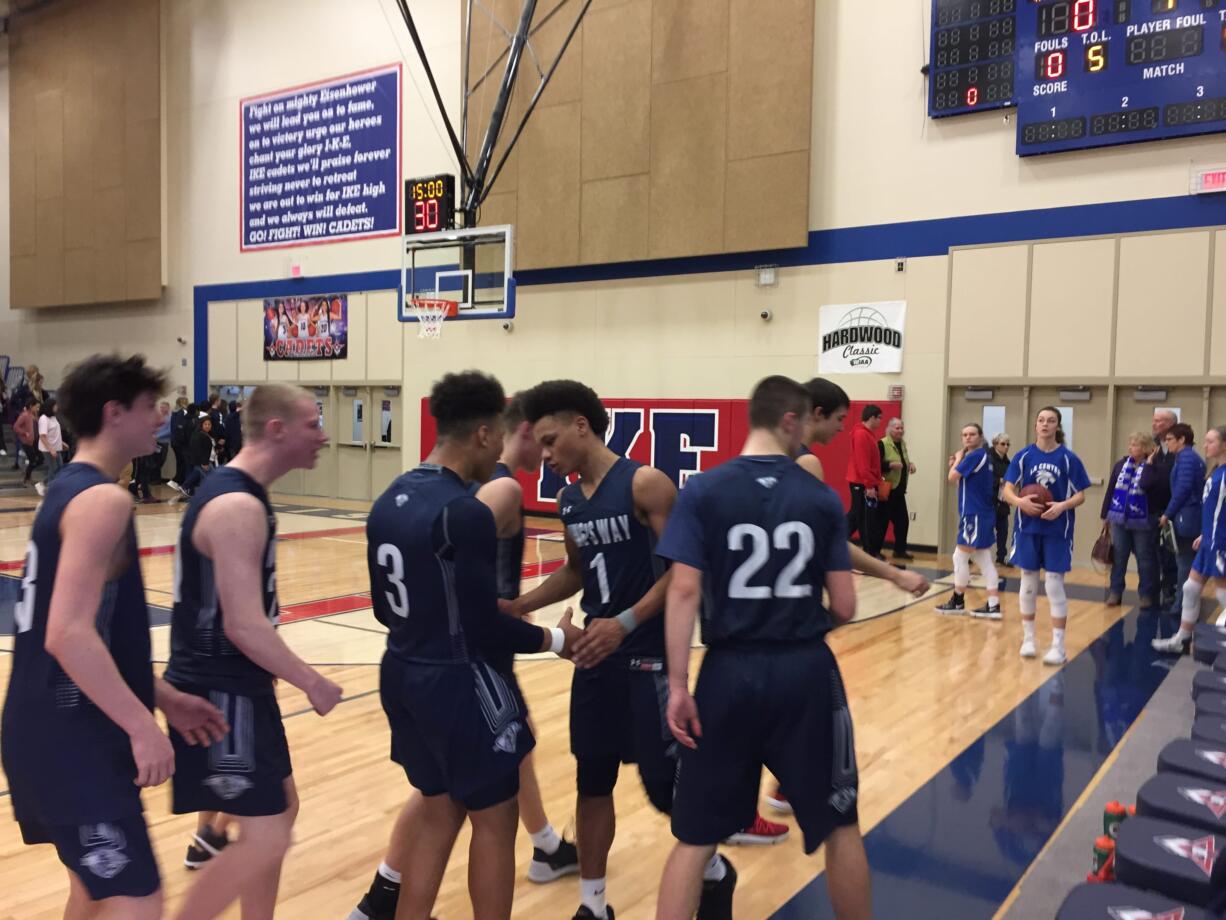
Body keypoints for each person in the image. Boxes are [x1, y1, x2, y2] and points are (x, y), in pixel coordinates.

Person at [1, 354, 228, 920]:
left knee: (94, 891)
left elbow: (91, 633)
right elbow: (68, 635)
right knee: (137, 900)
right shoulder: (102, 499)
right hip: (69, 735)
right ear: (114, 412)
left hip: (47, 726)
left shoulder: (71, 490)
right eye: (150, 407)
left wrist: (160, 696)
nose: (159, 418)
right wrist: (141, 728)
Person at [506, 379, 735, 920]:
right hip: (596, 660)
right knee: (592, 780)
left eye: (550, 439)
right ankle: (593, 904)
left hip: (650, 658)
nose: (544, 455)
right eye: (538, 444)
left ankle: (714, 871)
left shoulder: (646, 484)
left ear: (581, 426)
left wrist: (624, 623)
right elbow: (577, 570)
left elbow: (685, 569)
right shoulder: (566, 499)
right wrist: (519, 605)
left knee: (662, 786)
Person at [346, 393, 579, 920]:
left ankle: (387, 896)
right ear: (483, 433)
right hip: (462, 674)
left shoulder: (390, 496)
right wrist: (556, 642)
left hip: (402, 667)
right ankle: (539, 846)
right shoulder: (473, 506)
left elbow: (386, 609)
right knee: (494, 820)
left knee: (438, 811)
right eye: (498, 436)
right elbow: (482, 620)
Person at [655, 376, 870, 920]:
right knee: (841, 827)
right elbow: (845, 605)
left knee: (695, 839)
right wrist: (799, 622)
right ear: (791, 420)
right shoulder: (820, 497)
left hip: (727, 673)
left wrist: (678, 686)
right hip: (804, 672)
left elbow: (682, 591)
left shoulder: (702, 491)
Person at [164, 382, 343, 920]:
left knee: (279, 817)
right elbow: (243, 625)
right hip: (218, 690)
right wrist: (311, 680)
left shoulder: (242, 493)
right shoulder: (237, 503)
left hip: (238, 685)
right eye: (313, 423)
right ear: (276, 429)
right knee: (266, 834)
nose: (324, 435)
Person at [765, 378, 929, 816]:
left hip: (749, 607)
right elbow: (831, 542)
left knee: (772, 709)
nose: (843, 428)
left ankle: (764, 793)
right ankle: (781, 791)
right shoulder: (806, 465)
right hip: (789, 608)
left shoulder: (746, 466)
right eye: (839, 419)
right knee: (814, 706)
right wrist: (894, 574)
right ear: (814, 413)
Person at [1002, 407, 1092, 665]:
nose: (1044, 424)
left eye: (1050, 420)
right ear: (1035, 425)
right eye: (1041, 420)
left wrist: (1061, 506)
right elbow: (1007, 490)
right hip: (1027, 528)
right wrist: (1020, 502)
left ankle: (1058, 645)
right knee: (1028, 584)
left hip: (1057, 530)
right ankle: (1028, 639)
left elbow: (1081, 495)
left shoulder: (1068, 458)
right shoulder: (1023, 456)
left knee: (1054, 585)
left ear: (1057, 426)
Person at [1153, 425, 1226, 653]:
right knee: (1191, 588)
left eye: (1211, 441)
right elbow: (1215, 508)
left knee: (1222, 593)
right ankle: (1181, 639)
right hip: (1208, 541)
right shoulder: (1215, 471)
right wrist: (1205, 533)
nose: (1205, 445)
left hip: (1221, 544)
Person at [936, 423, 1002, 619]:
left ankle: (958, 600)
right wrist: (958, 463)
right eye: (964, 434)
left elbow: (951, 477)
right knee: (984, 559)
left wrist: (957, 460)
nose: (967, 438)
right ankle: (993, 604)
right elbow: (962, 481)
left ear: (980, 437)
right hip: (983, 513)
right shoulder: (984, 457)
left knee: (959, 557)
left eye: (972, 434)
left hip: (974, 514)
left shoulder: (974, 455)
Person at [1100, 432, 1162, 608]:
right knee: (1119, 556)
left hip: (1144, 521)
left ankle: (1145, 594)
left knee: (1144, 557)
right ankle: (1115, 592)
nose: (1130, 448)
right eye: (1130, 444)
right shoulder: (1121, 465)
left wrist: (1149, 464)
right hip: (1119, 519)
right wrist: (1105, 515)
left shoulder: (1154, 468)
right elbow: (1111, 489)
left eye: (1135, 445)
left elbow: (1147, 485)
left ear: (1145, 449)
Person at [1159, 422, 1205, 618]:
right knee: (1187, 562)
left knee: (1184, 562)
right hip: (1191, 515)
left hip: (1187, 517)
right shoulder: (1190, 458)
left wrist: (1167, 514)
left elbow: (1183, 490)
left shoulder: (1186, 458)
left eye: (1169, 439)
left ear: (1182, 439)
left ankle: (1181, 605)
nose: (1166, 443)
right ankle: (1186, 603)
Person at [846, 405, 884, 558]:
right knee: (861, 518)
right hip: (860, 483)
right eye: (879, 418)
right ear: (872, 417)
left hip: (865, 482)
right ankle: (869, 552)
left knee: (859, 516)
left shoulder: (868, 434)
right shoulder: (861, 435)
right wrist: (869, 485)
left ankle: (869, 551)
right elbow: (863, 463)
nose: (881, 421)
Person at [1150, 409, 1178, 606]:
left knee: (1170, 551)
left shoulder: (1179, 449)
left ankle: (1170, 588)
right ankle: (1152, 587)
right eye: (1154, 420)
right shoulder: (1151, 446)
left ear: (1170, 423)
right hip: (1152, 506)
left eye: (1159, 421)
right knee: (1152, 550)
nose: (1155, 424)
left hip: (1172, 508)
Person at [878, 417, 916, 561]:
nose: (900, 431)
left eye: (902, 428)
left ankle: (900, 550)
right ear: (890, 429)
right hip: (887, 489)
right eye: (897, 428)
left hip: (899, 490)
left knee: (903, 522)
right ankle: (875, 550)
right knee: (882, 522)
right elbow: (876, 466)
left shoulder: (902, 444)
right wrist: (889, 465)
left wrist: (910, 464)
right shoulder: (882, 444)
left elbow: (903, 461)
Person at [989, 434, 1012, 567]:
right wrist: (1000, 480)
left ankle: (1001, 557)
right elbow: (986, 478)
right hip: (989, 500)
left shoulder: (1007, 462)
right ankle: (969, 554)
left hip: (1002, 500)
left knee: (1003, 529)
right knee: (985, 529)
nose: (1006, 447)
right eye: (1003, 444)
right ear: (996, 444)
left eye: (1008, 444)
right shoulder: (989, 458)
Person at [36, 397, 64, 497]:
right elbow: (42, 436)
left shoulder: (53, 417)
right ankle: (49, 490)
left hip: (56, 447)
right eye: (55, 405)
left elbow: (55, 433)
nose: (57, 407)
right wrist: (51, 449)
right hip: (48, 449)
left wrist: (63, 444)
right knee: (54, 468)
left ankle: (43, 484)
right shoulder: (43, 418)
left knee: (59, 468)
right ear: (51, 406)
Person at [14, 398, 42, 487]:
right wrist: (24, 433)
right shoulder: (25, 415)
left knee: (40, 459)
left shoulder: (35, 415)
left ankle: (27, 474)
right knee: (33, 460)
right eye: (36, 407)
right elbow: (16, 427)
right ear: (31, 406)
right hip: (27, 442)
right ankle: (26, 478)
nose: (38, 409)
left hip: (35, 441)